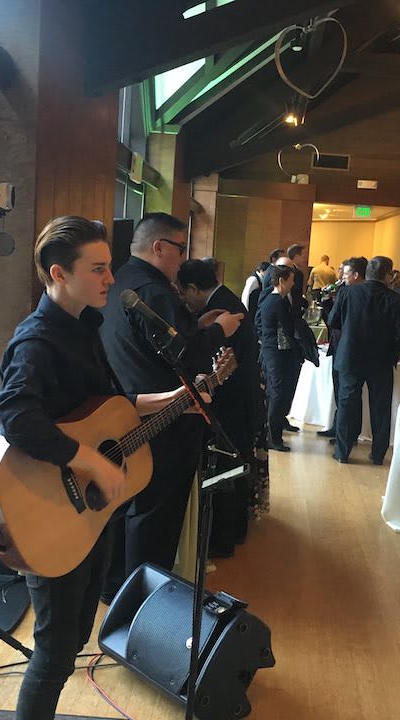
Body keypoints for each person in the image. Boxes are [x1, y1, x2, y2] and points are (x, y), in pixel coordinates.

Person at [0, 216, 193, 719]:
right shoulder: (38, 339)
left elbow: (97, 408)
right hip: (47, 504)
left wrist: (162, 402)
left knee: (75, 634)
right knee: (56, 648)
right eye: (99, 268)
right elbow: (15, 415)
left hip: (87, 510)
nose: (111, 278)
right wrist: (89, 462)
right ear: (59, 273)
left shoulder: (85, 327)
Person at [99, 212, 243, 603]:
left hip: (124, 417)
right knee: (155, 519)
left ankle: (116, 592)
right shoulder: (153, 289)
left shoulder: (118, 282)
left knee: (127, 511)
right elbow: (189, 355)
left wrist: (198, 322)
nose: (184, 258)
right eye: (180, 248)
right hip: (167, 421)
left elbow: (159, 344)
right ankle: (144, 603)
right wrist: (219, 331)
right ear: (159, 247)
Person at [177, 259, 265, 557]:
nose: (184, 301)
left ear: (192, 288)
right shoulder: (225, 299)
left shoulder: (224, 309)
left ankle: (223, 540)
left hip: (231, 402)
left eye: (183, 293)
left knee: (226, 469)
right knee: (234, 465)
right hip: (240, 399)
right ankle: (233, 532)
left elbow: (222, 361)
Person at [328, 256, 400, 465]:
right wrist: (395, 354)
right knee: (380, 408)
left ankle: (342, 452)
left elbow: (332, 321)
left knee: (347, 404)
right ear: (388, 275)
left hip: (350, 356)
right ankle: (378, 454)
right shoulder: (396, 299)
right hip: (381, 360)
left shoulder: (348, 292)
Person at [317, 256, 366, 440]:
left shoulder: (353, 294)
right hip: (339, 345)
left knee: (348, 393)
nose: (341, 276)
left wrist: (331, 305)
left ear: (355, 275)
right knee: (339, 390)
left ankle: (347, 432)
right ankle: (338, 426)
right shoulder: (343, 290)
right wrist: (327, 302)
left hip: (349, 347)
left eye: (344, 273)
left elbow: (336, 321)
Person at [258, 264, 302, 452]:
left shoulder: (272, 299)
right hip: (275, 353)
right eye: (291, 279)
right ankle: (273, 438)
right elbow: (288, 328)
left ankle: (274, 434)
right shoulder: (277, 301)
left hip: (275, 351)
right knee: (277, 392)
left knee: (277, 391)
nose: (293, 283)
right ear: (282, 280)